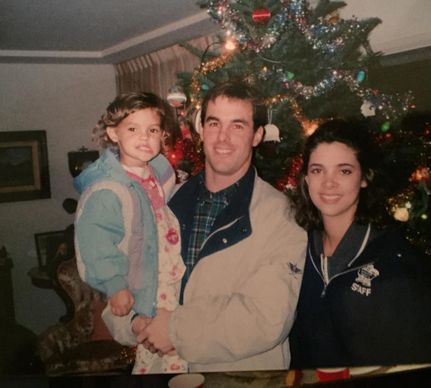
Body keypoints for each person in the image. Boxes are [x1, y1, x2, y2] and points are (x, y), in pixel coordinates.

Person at [104, 81, 307, 372]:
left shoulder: (282, 217)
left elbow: (267, 318)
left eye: (238, 126)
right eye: (214, 123)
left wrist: (174, 330)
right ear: (201, 129)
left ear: (257, 135)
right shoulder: (161, 202)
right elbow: (113, 281)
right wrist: (135, 322)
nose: (222, 137)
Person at [289, 118, 431, 368]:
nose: (328, 183)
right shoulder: (299, 251)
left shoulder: (398, 267)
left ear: (365, 178)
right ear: (306, 178)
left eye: (344, 170)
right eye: (317, 170)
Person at [74, 92, 187, 374]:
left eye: (152, 130)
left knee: (180, 346)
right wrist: (115, 285)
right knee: (162, 352)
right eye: (133, 129)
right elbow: (96, 243)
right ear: (114, 133)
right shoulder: (107, 191)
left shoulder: (158, 172)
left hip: (170, 274)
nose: (144, 138)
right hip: (147, 280)